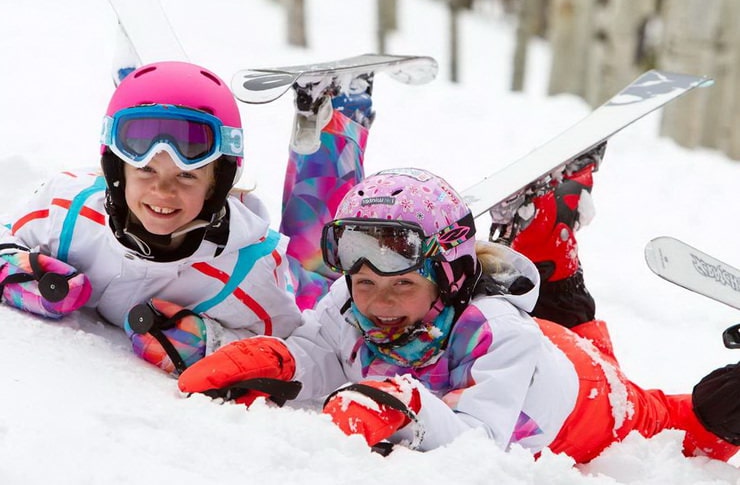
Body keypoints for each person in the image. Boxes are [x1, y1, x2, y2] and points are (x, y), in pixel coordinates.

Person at [176, 165, 740, 464]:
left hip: (588, 403)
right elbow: (321, 354)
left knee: (684, 421)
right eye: (365, 282)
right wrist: (276, 361)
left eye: (402, 284)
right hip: (546, 347)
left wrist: (409, 405)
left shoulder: (497, 334)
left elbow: (481, 441)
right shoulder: (352, 302)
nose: (378, 303)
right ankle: (549, 222)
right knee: (565, 325)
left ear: (447, 277)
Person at [0, 60, 370, 376]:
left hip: (282, 277)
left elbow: (292, 348)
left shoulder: (248, 277)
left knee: (316, 265)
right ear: (117, 170)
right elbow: (6, 238)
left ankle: (338, 112)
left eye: (186, 176)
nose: (163, 191)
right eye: (145, 170)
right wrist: (22, 276)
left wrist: (206, 341)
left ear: (216, 184)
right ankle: (149, 85)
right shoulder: (66, 209)